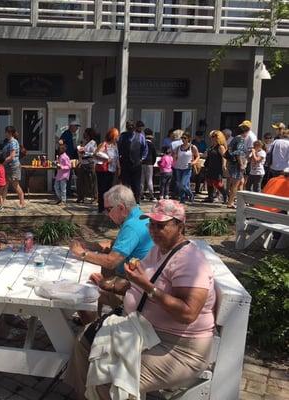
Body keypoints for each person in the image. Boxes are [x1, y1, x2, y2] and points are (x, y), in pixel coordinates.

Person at [64, 200, 216, 400]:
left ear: (180, 226)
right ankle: (84, 395)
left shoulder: (189, 261)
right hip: (144, 330)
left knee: (109, 381)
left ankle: (98, 393)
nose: (153, 230)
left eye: (161, 225)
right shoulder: (159, 249)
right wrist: (109, 285)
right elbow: (137, 284)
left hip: (178, 348)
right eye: (151, 224)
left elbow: (188, 313)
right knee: (85, 339)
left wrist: (147, 287)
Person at [69, 185, 154, 323]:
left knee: (81, 291)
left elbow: (111, 261)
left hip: (132, 287)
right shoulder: (138, 216)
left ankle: (92, 330)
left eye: (109, 209)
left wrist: (83, 253)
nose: (107, 214)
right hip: (134, 279)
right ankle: (96, 319)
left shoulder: (131, 226)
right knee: (94, 274)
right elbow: (115, 247)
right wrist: (90, 245)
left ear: (121, 208)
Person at [118, 121, 148, 203]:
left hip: (136, 164)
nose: (130, 128)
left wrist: (142, 159)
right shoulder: (123, 136)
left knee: (136, 185)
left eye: (132, 126)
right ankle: (126, 202)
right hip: (125, 163)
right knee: (125, 185)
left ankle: (136, 202)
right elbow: (119, 148)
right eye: (128, 126)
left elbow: (145, 149)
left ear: (134, 127)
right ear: (127, 127)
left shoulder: (141, 137)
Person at [95, 128, 120, 213]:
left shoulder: (115, 145)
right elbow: (96, 154)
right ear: (113, 136)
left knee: (110, 189)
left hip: (112, 170)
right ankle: (101, 207)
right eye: (117, 135)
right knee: (103, 189)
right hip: (103, 170)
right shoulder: (104, 144)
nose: (118, 137)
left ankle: (108, 207)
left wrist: (119, 168)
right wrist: (106, 158)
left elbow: (117, 158)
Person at [2, 126, 25, 208]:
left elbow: (12, 156)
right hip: (7, 166)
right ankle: (2, 203)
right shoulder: (8, 142)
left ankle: (22, 203)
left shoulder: (13, 142)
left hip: (13, 167)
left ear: (10, 133)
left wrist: (3, 162)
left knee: (15, 185)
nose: (5, 134)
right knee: (5, 184)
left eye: (6, 132)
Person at [173, 132, 199, 203]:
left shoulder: (192, 147)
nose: (183, 139)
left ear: (188, 139)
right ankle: (182, 198)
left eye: (185, 138)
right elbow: (175, 156)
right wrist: (174, 158)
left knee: (183, 184)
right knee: (179, 184)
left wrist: (194, 162)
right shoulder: (178, 147)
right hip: (178, 167)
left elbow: (198, 156)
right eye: (182, 138)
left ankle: (190, 195)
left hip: (187, 168)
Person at [203, 130, 228, 203]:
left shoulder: (220, 147)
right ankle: (210, 197)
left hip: (217, 167)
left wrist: (224, 165)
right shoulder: (212, 146)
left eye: (214, 136)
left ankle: (225, 195)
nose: (212, 138)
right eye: (211, 137)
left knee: (217, 183)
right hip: (210, 166)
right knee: (209, 181)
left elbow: (224, 157)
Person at [226, 125, 247, 208]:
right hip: (236, 164)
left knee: (241, 182)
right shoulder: (240, 139)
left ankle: (240, 202)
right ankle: (230, 203)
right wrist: (241, 164)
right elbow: (238, 152)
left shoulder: (234, 139)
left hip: (232, 163)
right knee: (235, 184)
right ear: (244, 132)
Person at [76, 128, 98, 203]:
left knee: (91, 181)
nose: (83, 134)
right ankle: (81, 197)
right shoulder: (84, 142)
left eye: (85, 133)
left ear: (89, 134)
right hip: (83, 163)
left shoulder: (93, 143)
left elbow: (94, 153)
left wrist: (85, 153)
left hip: (90, 164)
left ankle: (95, 197)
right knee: (81, 181)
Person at [141, 128, 157, 201]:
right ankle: (151, 195)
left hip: (142, 163)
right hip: (149, 163)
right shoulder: (152, 145)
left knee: (142, 179)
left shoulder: (142, 144)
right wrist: (153, 163)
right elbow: (154, 155)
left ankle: (141, 194)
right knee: (149, 179)